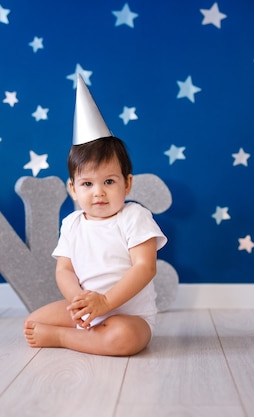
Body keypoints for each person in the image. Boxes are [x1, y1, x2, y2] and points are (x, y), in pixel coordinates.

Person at [24, 76, 167, 356]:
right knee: (33, 322)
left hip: (129, 315)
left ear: (127, 183)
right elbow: (64, 269)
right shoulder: (72, 223)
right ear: (73, 189)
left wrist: (105, 302)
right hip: (90, 309)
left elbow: (144, 267)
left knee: (123, 337)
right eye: (88, 184)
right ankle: (83, 333)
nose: (99, 192)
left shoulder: (134, 217)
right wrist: (78, 302)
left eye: (109, 182)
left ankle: (65, 339)